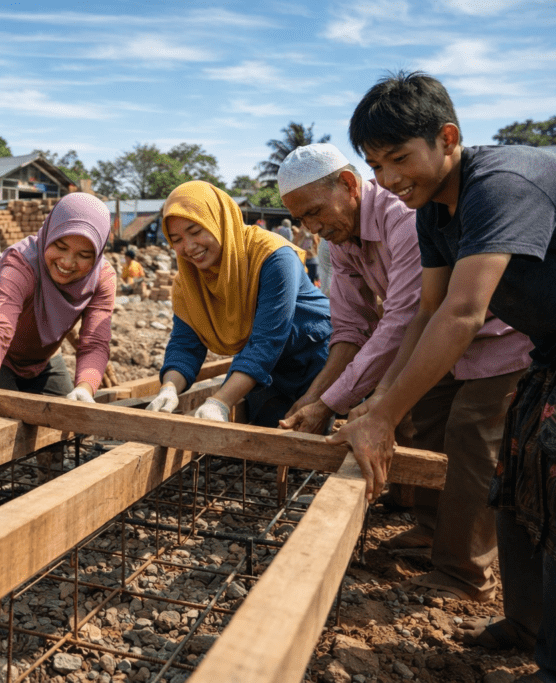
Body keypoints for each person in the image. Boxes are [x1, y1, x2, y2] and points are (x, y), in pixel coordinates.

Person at [337, 71, 556, 681]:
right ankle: (526, 625)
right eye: (375, 164)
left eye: (399, 158)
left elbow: (464, 312)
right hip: (548, 347)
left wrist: (381, 417)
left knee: (554, 487)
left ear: (448, 138)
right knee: (516, 479)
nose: (388, 179)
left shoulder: (501, 185)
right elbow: (426, 312)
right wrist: (380, 401)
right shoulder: (433, 210)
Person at [278, 142, 531, 603]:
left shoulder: (402, 217)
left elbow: (402, 316)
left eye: (316, 211)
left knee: (472, 436)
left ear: (350, 185)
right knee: (424, 422)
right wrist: (315, 397)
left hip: (495, 335)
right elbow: (352, 328)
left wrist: (334, 403)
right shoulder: (339, 242)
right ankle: (432, 531)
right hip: (439, 337)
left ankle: (465, 574)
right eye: (303, 220)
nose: (312, 227)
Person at [145, 181, 331, 427]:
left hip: (316, 356)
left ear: (218, 221)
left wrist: (220, 401)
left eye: (195, 230)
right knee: (264, 441)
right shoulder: (188, 280)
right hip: (269, 370)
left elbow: (267, 339)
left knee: (314, 440)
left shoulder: (273, 256)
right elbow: (185, 343)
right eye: (176, 239)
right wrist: (168, 388)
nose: (189, 247)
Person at [0, 193, 115, 425]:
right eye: (60, 246)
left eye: (83, 255)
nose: (67, 262)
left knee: (64, 423)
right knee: (0, 427)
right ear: (49, 234)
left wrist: (85, 389)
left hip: (40, 356)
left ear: (97, 255)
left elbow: (95, 343)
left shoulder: (102, 279)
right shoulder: (21, 264)